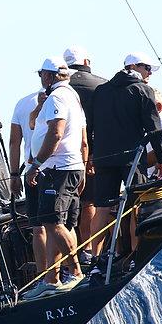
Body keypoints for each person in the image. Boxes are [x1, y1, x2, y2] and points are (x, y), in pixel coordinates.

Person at [89, 52, 162, 258]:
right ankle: (135, 255)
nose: (149, 73)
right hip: (132, 159)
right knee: (136, 206)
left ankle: (94, 258)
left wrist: (91, 153)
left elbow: (90, 125)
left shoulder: (101, 91)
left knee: (102, 208)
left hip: (103, 158)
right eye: (147, 68)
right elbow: (153, 128)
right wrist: (161, 159)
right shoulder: (143, 90)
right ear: (133, 67)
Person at [23, 57, 87, 299]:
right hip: (68, 167)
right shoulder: (71, 96)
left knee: (53, 223)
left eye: (41, 74)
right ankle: (52, 279)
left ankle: (77, 273)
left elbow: (56, 133)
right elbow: (82, 138)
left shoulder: (57, 97)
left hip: (57, 168)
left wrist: (36, 164)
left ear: (48, 76)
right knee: (55, 223)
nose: (41, 78)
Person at [64, 46, 108, 265]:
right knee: (91, 201)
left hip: (63, 155)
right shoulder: (102, 84)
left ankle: (73, 257)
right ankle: (90, 251)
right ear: (86, 62)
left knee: (69, 206)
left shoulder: (60, 88)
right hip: (96, 152)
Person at [10, 87, 47, 279]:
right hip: (58, 168)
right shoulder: (67, 96)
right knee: (62, 223)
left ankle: (44, 276)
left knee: (39, 226)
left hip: (31, 169)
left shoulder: (22, 103)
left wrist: (14, 174)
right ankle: (69, 270)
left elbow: (14, 142)